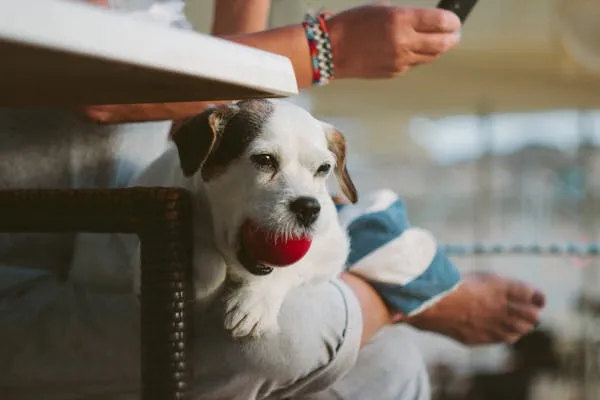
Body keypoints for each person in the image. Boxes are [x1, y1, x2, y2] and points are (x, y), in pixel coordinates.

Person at [0, 1, 545, 399]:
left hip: (164, 258)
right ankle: (404, 291)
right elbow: (102, 87)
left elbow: (237, 111)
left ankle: (382, 286)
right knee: (284, 341)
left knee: (390, 366)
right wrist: (328, 46)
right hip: (28, 283)